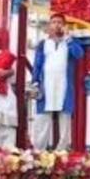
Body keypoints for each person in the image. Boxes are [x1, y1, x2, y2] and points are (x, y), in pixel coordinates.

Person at [29, 14, 84, 151]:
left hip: (64, 87)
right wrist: (35, 82)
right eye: (53, 22)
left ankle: (62, 151)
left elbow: (79, 55)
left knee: (64, 120)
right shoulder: (43, 44)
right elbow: (37, 64)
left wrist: (67, 38)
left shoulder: (70, 42)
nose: (57, 25)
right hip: (46, 86)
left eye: (60, 22)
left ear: (64, 25)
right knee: (42, 119)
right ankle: (38, 151)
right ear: (49, 26)